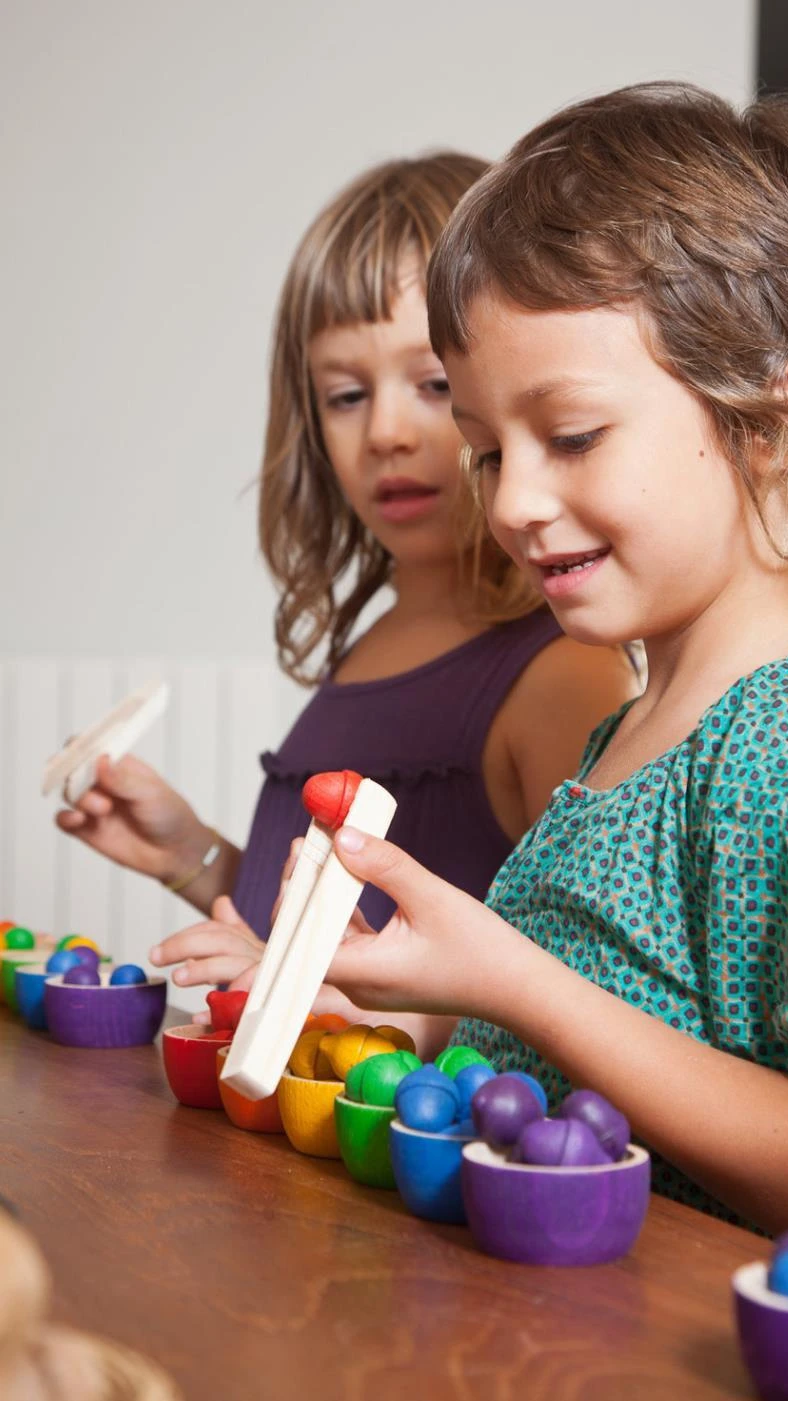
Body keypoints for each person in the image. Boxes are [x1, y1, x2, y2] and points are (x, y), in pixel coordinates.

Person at [309, 86, 788, 1258]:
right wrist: (392, 999)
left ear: (767, 422)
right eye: (489, 452)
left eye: (573, 435)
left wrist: (514, 982)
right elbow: (577, 1063)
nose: (511, 504)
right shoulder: (635, 732)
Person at [57, 154, 638, 1019]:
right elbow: (313, 932)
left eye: (435, 386)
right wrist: (193, 855)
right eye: (344, 394)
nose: (387, 433)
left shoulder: (561, 674)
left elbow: (583, 1013)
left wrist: (322, 997)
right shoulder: (374, 641)